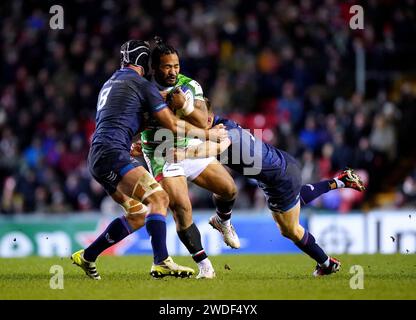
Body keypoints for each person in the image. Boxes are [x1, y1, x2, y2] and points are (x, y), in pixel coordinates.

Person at [70, 40, 226, 280]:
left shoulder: (111, 82)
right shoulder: (141, 84)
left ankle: (87, 256)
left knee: (137, 214)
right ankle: (161, 261)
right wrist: (210, 134)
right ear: (145, 62)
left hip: (99, 155)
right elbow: (173, 124)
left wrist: (136, 140)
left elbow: (122, 117)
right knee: (159, 198)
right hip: (113, 153)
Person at [169, 97, 366, 276]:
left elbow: (217, 148)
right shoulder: (215, 127)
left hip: (278, 179)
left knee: (289, 230)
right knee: (294, 200)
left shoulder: (224, 132)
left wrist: (185, 154)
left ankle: (326, 263)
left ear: (209, 118)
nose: (191, 124)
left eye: (193, 119)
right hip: (284, 166)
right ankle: (341, 181)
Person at [138, 37, 239, 279]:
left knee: (229, 189)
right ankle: (204, 265)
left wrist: (184, 107)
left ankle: (222, 221)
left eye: (176, 66)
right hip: (161, 152)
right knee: (182, 208)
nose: (173, 72)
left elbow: (203, 120)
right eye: (166, 66)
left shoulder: (189, 86)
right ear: (154, 68)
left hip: (188, 146)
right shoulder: (142, 89)